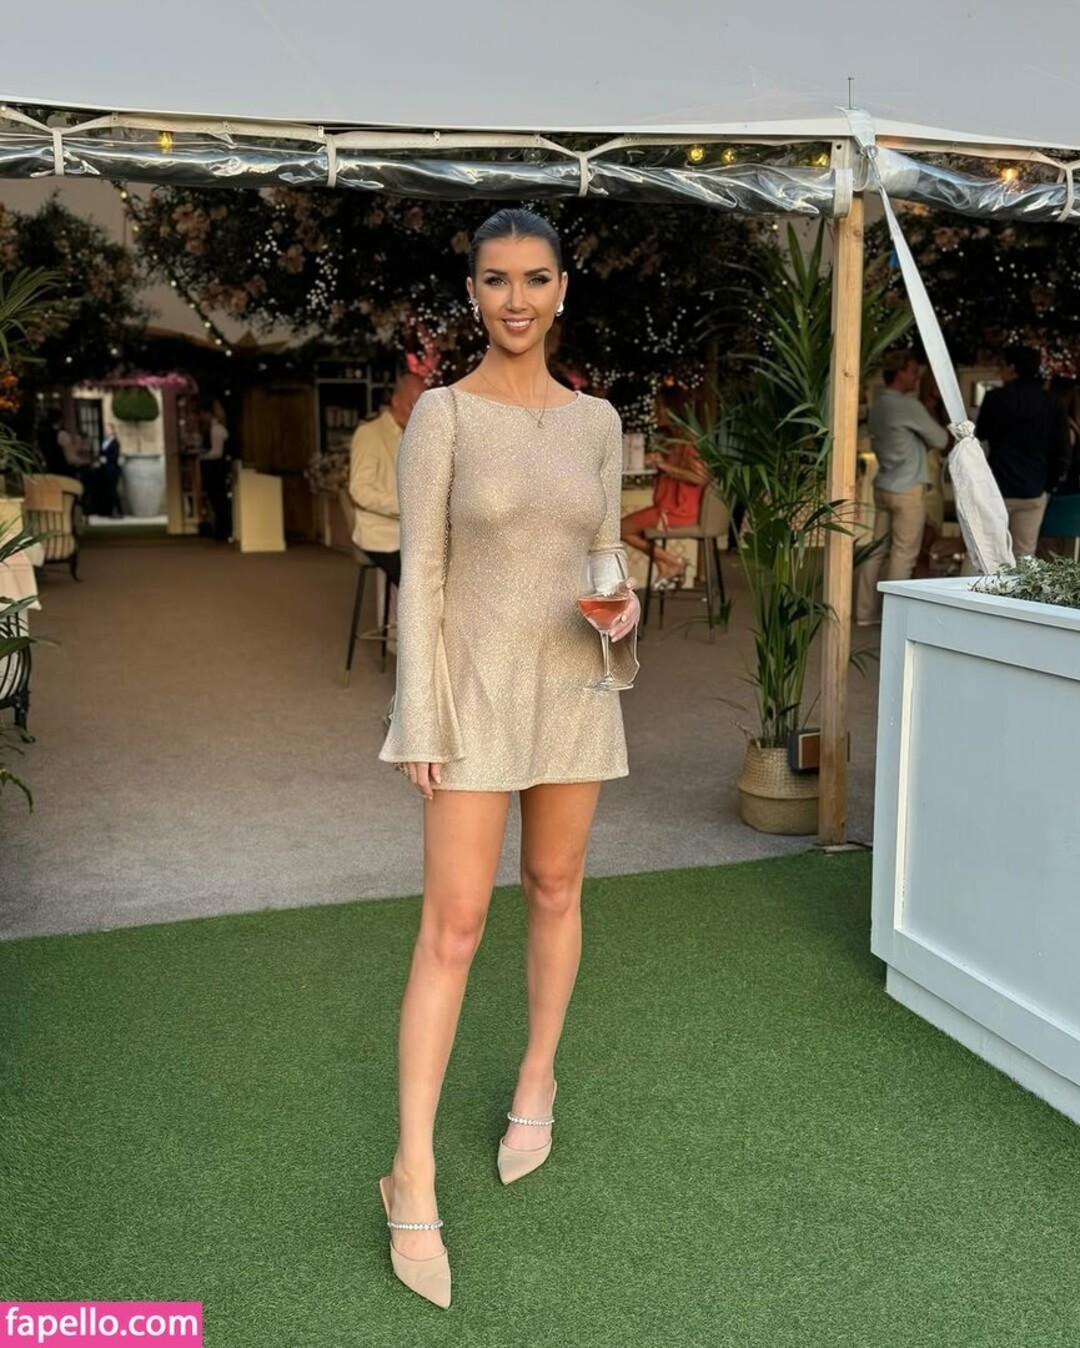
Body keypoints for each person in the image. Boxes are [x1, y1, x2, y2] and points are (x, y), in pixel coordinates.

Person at [375, 208, 640, 1311]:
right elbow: (422, 576)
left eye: (536, 278)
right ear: (474, 292)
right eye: (497, 280)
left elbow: (605, 555)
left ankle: (538, 1079)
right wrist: (420, 718)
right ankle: (412, 1171)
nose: (517, 299)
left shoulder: (598, 421)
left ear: (563, 289)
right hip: (474, 695)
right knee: (453, 926)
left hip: (572, 685)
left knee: (556, 886)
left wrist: (624, 605)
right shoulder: (442, 415)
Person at [855, 350, 950, 626]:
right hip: (907, 488)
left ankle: (864, 613)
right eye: (912, 371)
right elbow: (941, 439)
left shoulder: (878, 405)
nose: (916, 376)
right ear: (899, 373)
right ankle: (893, 618)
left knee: (875, 551)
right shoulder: (908, 406)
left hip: (883, 485)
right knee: (904, 554)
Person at [974, 346, 1071, 558]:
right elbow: (1062, 450)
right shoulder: (1052, 403)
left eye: (1002, 365)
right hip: (1033, 488)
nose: (1000, 371)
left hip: (997, 487)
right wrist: (1049, 485)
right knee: (1024, 553)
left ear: (1012, 368)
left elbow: (979, 435)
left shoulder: (995, 398)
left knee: (985, 551)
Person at [619, 395, 709, 587]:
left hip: (678, 511)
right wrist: (656, 460)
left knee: (620, 529)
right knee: (622, 529)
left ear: (670, 412)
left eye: (657, 409)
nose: (654, 414)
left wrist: (665, 466)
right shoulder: (675, 440)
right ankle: (665, 564)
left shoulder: (690, 442)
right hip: (669, 508)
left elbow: (701, 477)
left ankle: (672, 562)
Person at [347, 372, 426, 586]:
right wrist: (405, 506)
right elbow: (359, 491)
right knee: (424, 587)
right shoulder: (370, 433)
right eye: (413, 404)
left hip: (415, 535)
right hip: (382, 536)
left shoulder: (419, 436)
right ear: (395, 400)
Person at [199, 401, 232, 541]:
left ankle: (223, 531)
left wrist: (202, 456)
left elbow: (217, 452)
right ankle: (221, 530)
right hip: (216, 468)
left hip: (216, 469)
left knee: (218, 500)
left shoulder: (216, 429)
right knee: (218, 500)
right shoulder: (216, 428)